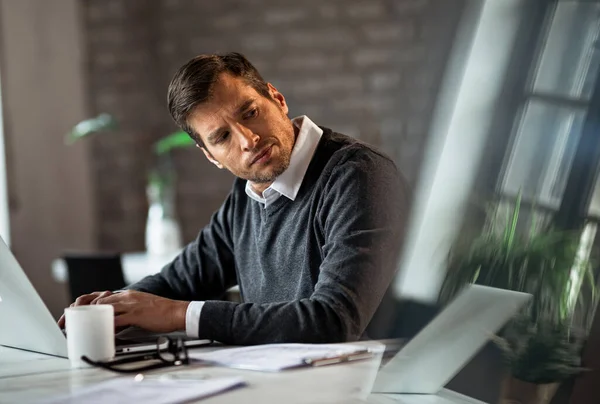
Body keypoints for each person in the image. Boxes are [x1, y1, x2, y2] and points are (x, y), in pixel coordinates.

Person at [59, 52, 409, 345]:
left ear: (277, 98)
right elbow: (177, 283)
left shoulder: (359, 175)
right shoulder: (249, 195)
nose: (247, 140)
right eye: (223, 136)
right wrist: (112, 308)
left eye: (250, 113)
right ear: (210, 155)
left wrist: (176, 314)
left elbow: (334, 319)